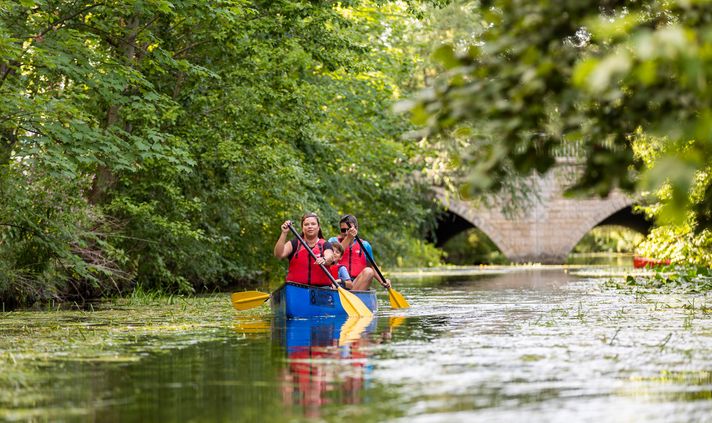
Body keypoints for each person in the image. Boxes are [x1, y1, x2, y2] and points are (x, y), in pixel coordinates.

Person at [328, 214, 391, 291]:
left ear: (356, 229)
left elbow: (372, 266)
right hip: (337, 284)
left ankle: (354, 298)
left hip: (356, 284)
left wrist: (383, 281)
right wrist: (348, 238)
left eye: (349, 229)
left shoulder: (365, 245)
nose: (346, 232)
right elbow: (331, 258)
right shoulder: (333, 241)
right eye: (343, 230)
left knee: (369, 271)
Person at [274, 212, 333, 286]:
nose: (310, 226)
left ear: (318, 227)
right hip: (297, 288)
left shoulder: (325, 244)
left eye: (313, 224)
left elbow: (330, 256)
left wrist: (324, 259)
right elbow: (279, 254)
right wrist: (284, 233)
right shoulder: (294, 243)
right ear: (302, 228)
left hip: (321, 289)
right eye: (306, 224)